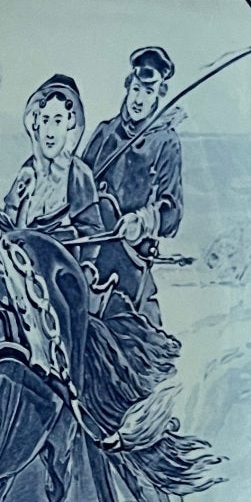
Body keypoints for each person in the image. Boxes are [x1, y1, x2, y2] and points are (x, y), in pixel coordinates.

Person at [80, 46, 182, 326]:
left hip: (130, 260)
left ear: (160, 94)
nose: (139, 99)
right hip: (87, 252)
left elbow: (172, 211)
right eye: (136, 89)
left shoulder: (166, 142)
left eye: (148, 92)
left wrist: (143, 221)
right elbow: (77, 184)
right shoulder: (105, 132)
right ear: (128, 86)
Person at [1, 74, 104, 246]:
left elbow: (92, 235)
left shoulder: (78, 173)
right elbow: (8, 222)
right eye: (45, 120)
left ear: (70, 123)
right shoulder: (27, 171)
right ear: (36, 122)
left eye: (57, 121)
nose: (50, 133)